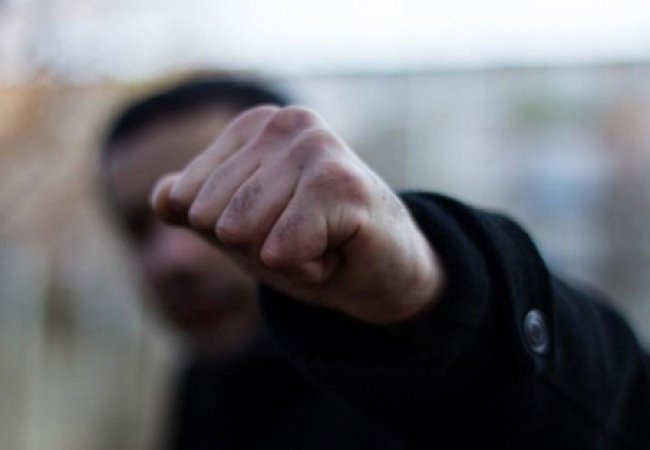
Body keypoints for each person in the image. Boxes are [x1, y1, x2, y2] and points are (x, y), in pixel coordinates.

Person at [101, 75, 649, 449]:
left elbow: (617, 408)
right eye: (137, 228)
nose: (170, 260)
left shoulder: (411, 380)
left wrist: (432, 288)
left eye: (217, 201)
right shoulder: (208, 386)